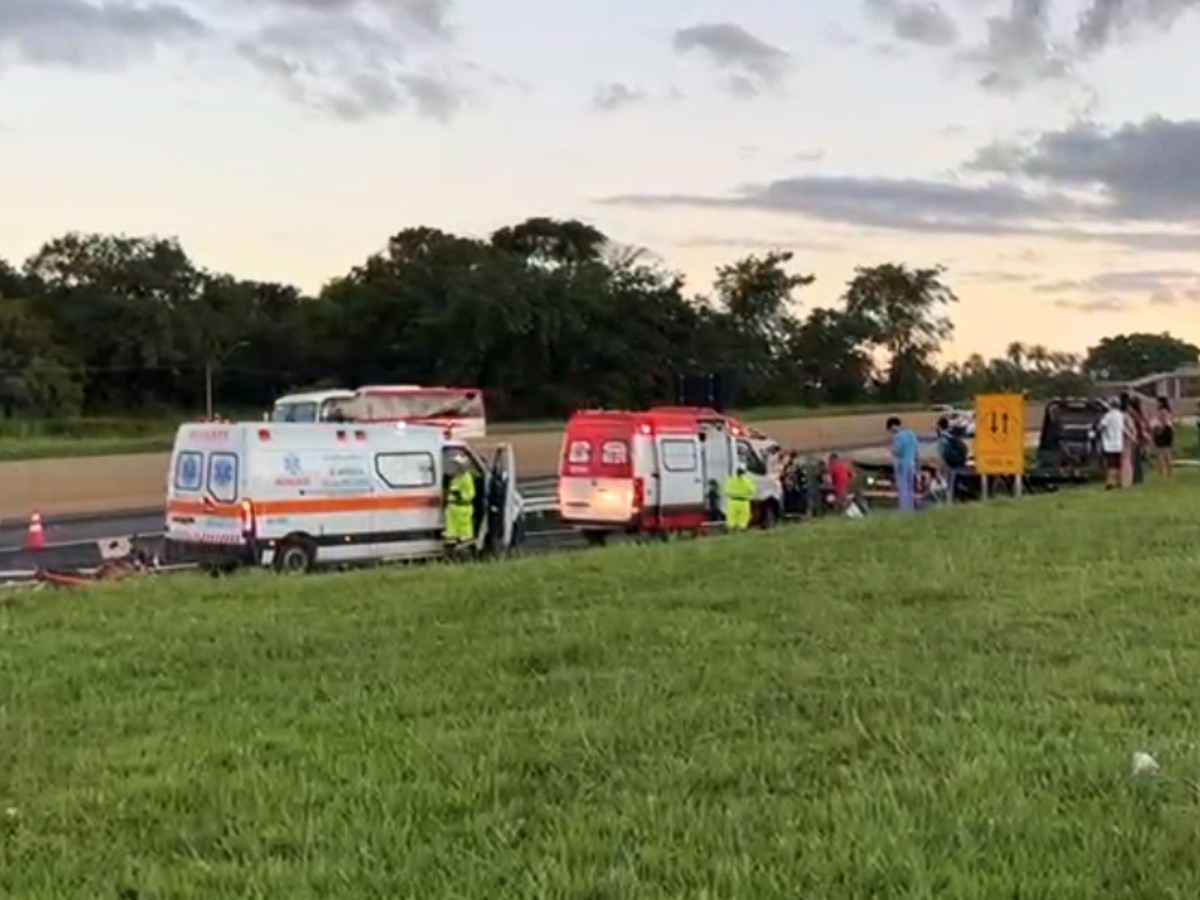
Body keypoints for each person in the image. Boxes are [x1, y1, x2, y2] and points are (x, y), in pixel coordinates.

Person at [887, 416, 919, 512]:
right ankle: (911, 507)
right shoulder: (911, 434)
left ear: (893, 426)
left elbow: (898, 451)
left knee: (902, 487)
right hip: (911, 462)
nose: (891, 431)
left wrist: (891, 451)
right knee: (910, 487)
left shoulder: (897, 436)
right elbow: (917, 449)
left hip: (902, 464)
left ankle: (904, 509)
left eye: (890, 428)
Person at [444, 458, 476, 548]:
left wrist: (460, 495)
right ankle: (452, 549)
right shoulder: (456, 477)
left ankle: (464, 552)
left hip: (462, 508)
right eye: (455, 464)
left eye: (457, 464)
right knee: (451, 532)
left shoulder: (467, 478)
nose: (456, 467)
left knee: (465, 533)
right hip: (452, 508)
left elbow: (470, 494)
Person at [936, 416, 968, 503]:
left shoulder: (942, 439)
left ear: (939, 426)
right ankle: (952, 501)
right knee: (952, 485)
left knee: (947, 487)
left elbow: (943, 455)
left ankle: (949, 503)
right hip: (954, 465)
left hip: (947, 466)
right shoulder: (951, 436)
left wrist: (939, 469)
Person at [1097, 398, 1125, 490]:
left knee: (1111, 465)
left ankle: (1110, 482)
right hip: (1119, 443)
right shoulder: (1120, 415)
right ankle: (1119, 482)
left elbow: (1101, 426)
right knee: (1118, 464)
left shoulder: (1108, 416)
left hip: (1109, 443)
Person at [724, 465, 756, 531]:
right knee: (743, 518)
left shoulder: (731, 480)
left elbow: (726, 491)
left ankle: (731, 530)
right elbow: (752, 490)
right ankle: (741, 530)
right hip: (743, 502)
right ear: (744, 472)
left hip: (732, 501)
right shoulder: (746, 480)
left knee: (731, 517)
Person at [1128, 395, 1150, 485]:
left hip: (1136, 437)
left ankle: (1136, 477)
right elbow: (1146, 425)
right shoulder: (1140, 414)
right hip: (1140, 437)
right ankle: (1139, 477)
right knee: (1138, 458)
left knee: (1134, 458)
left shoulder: (1133, 414)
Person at [1152, 396, 1175, 479]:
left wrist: (1159, 431)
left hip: (1164, 431)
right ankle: (1168, 472)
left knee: (1161, 453)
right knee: (1167, 452)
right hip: (1168, 431)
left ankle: (1163, 472)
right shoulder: (1168, 411)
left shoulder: (1163, 411)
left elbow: (1164, 422)